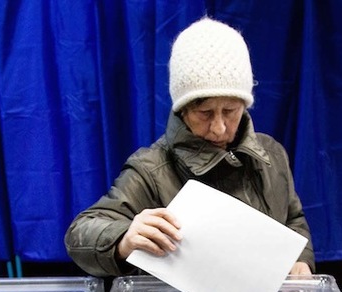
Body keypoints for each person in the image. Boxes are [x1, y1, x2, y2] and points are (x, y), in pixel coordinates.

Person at [65, 16, 315, 278]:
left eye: (231, 111)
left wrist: (301, 261)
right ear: (183, 110)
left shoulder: (271, 154)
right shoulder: (151, 170)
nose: (219, 127)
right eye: (205, 113)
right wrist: (123, 239)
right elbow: (81, 232)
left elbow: (293, 220)